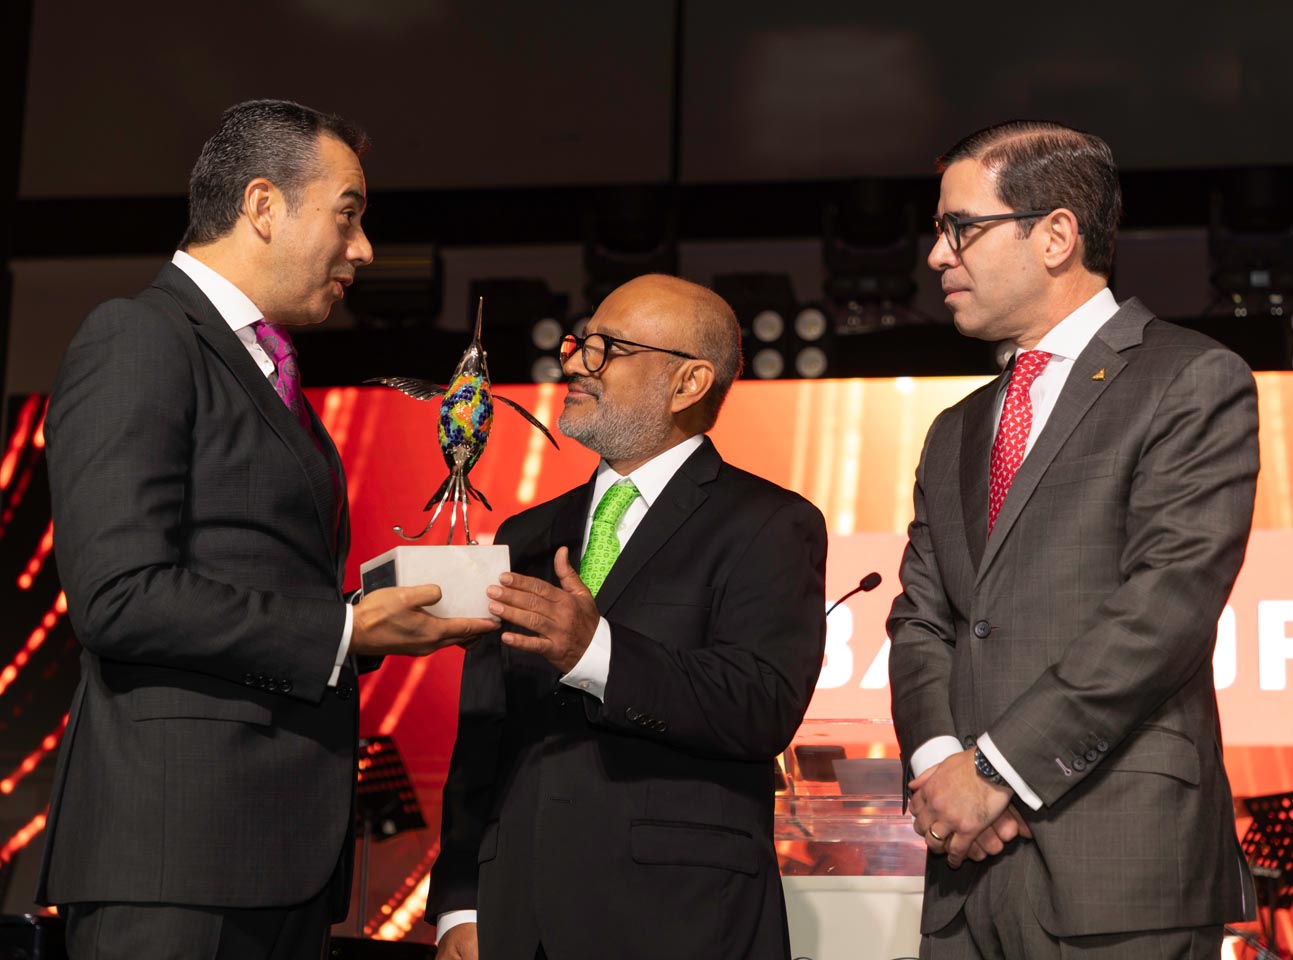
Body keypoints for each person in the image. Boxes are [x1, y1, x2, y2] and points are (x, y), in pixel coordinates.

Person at [37, 99, 497, 960]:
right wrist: (347, 629)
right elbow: (119, 596)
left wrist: (380, 612)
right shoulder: (138, 336)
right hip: (177, 857)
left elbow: (260, 575)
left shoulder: (263, 362)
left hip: (275, 853)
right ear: (262, 205)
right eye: (349, 215)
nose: (364, 249)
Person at [887, 119, 1259, 959]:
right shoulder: (954, 429)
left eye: (960, 228)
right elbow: (920, 619)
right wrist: (944, 768)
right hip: (965, 869)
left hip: (1118, 859)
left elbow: (1165, 605)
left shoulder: (1188, 378)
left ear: (1055, 235)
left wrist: (995, 771)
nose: (937, 256)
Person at [426, 274, 828, 960]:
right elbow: (485, 731)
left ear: (688, 382)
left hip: (678, 920)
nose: (576, 364)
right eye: (580, 343)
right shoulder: (525, 534)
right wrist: (460, 901)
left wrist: (595, 652)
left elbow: (760, 705)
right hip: (514, 918)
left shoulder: (769, 523)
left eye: (607, 348)